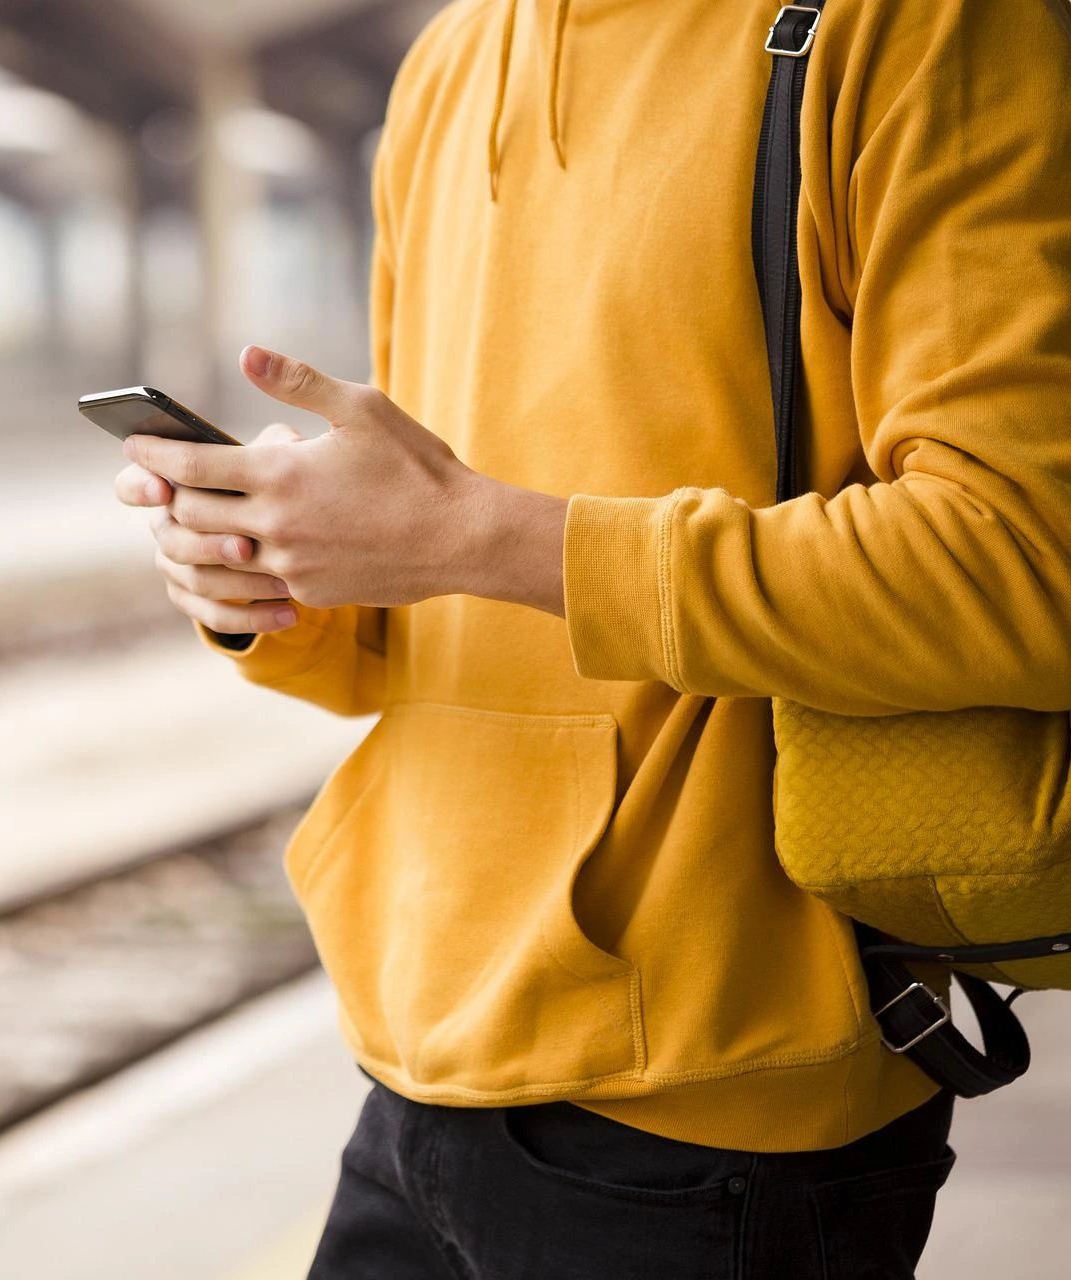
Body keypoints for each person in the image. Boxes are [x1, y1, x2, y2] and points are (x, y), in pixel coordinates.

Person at [113, 0, 1071, 1274]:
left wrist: (474, 535)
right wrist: (276, 575)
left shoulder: (925, 26)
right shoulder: (451, 57)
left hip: (719, 1078)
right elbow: (453, 569)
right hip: (415, 1037)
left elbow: (1021, 564)